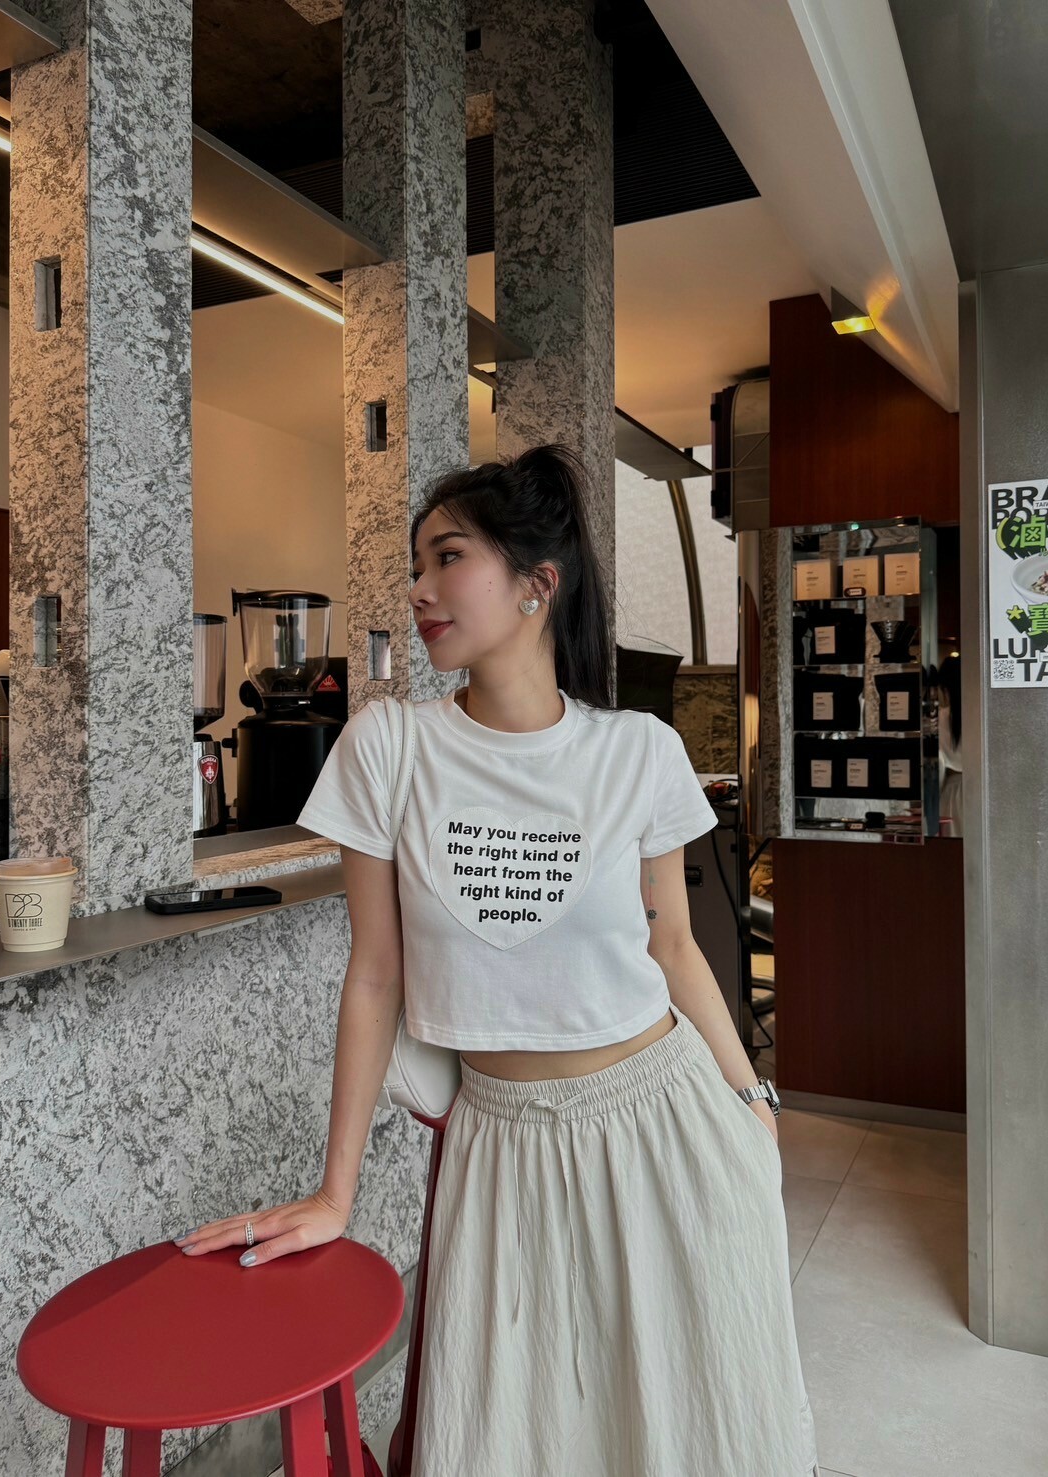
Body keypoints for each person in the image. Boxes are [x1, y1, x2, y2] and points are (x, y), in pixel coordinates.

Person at [174, 444, 820, 1476]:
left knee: (680, 1426)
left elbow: (674, 944)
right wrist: (336, 1192)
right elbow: (374, 976)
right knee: (509, 1435)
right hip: (497, 1146)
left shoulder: (637, 750)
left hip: (662, 1123)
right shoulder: (389, 748)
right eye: (416, 565)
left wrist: (751, 1105)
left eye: (448, 558)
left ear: (535, 585)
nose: (418, 589)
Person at [935, 654, 963, 837]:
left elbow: (937, 765)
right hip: (982, 790)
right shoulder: (981, 715)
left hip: (952, 793)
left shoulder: (940, 718)